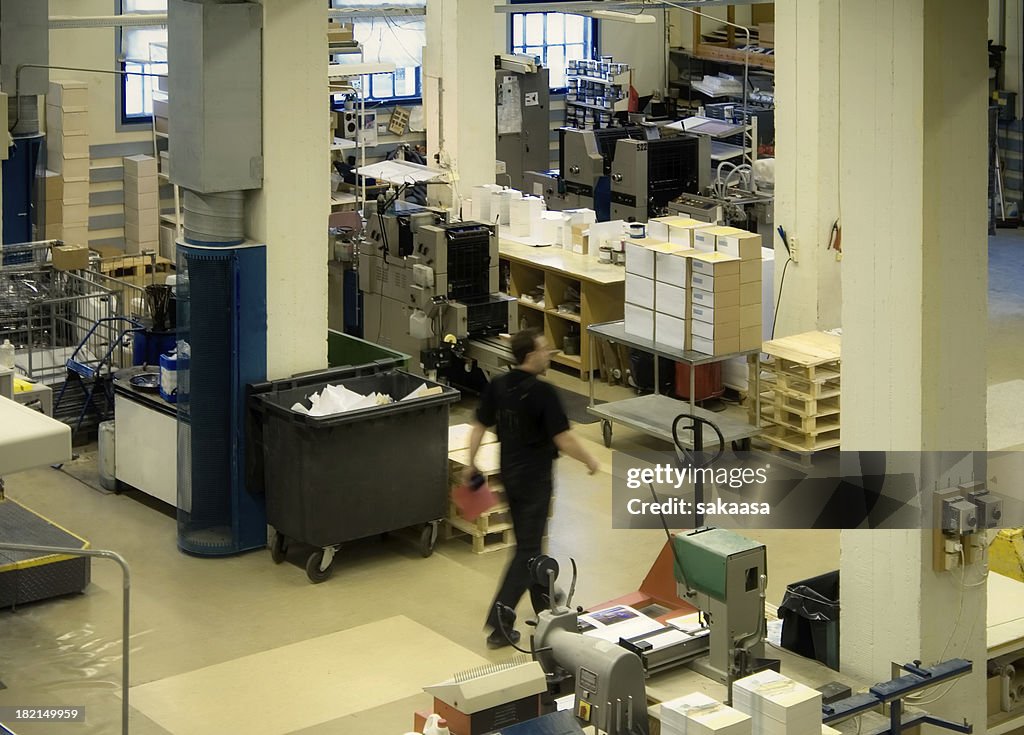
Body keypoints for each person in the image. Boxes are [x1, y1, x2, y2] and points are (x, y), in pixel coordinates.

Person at [464, 327, 600, 648]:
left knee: (531, 544)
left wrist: (471, 463)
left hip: (510, 475)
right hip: (535, 480)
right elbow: (563, 439)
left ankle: (548, 606)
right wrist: (589, 460)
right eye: (544, 349)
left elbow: (479, 425)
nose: (549, 354)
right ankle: (500, 623)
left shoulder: (498, 385)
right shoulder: (543, 393)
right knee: (527, 551)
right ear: (530, 355)